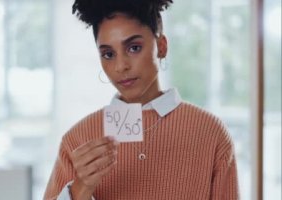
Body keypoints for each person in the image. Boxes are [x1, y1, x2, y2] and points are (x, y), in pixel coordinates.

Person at [44, 0, 239, 199]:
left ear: (161, 47)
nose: (121, 66)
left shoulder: (210, 132)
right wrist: (80, 188)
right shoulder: (78, 140)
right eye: (108, 54)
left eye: (134, 48)